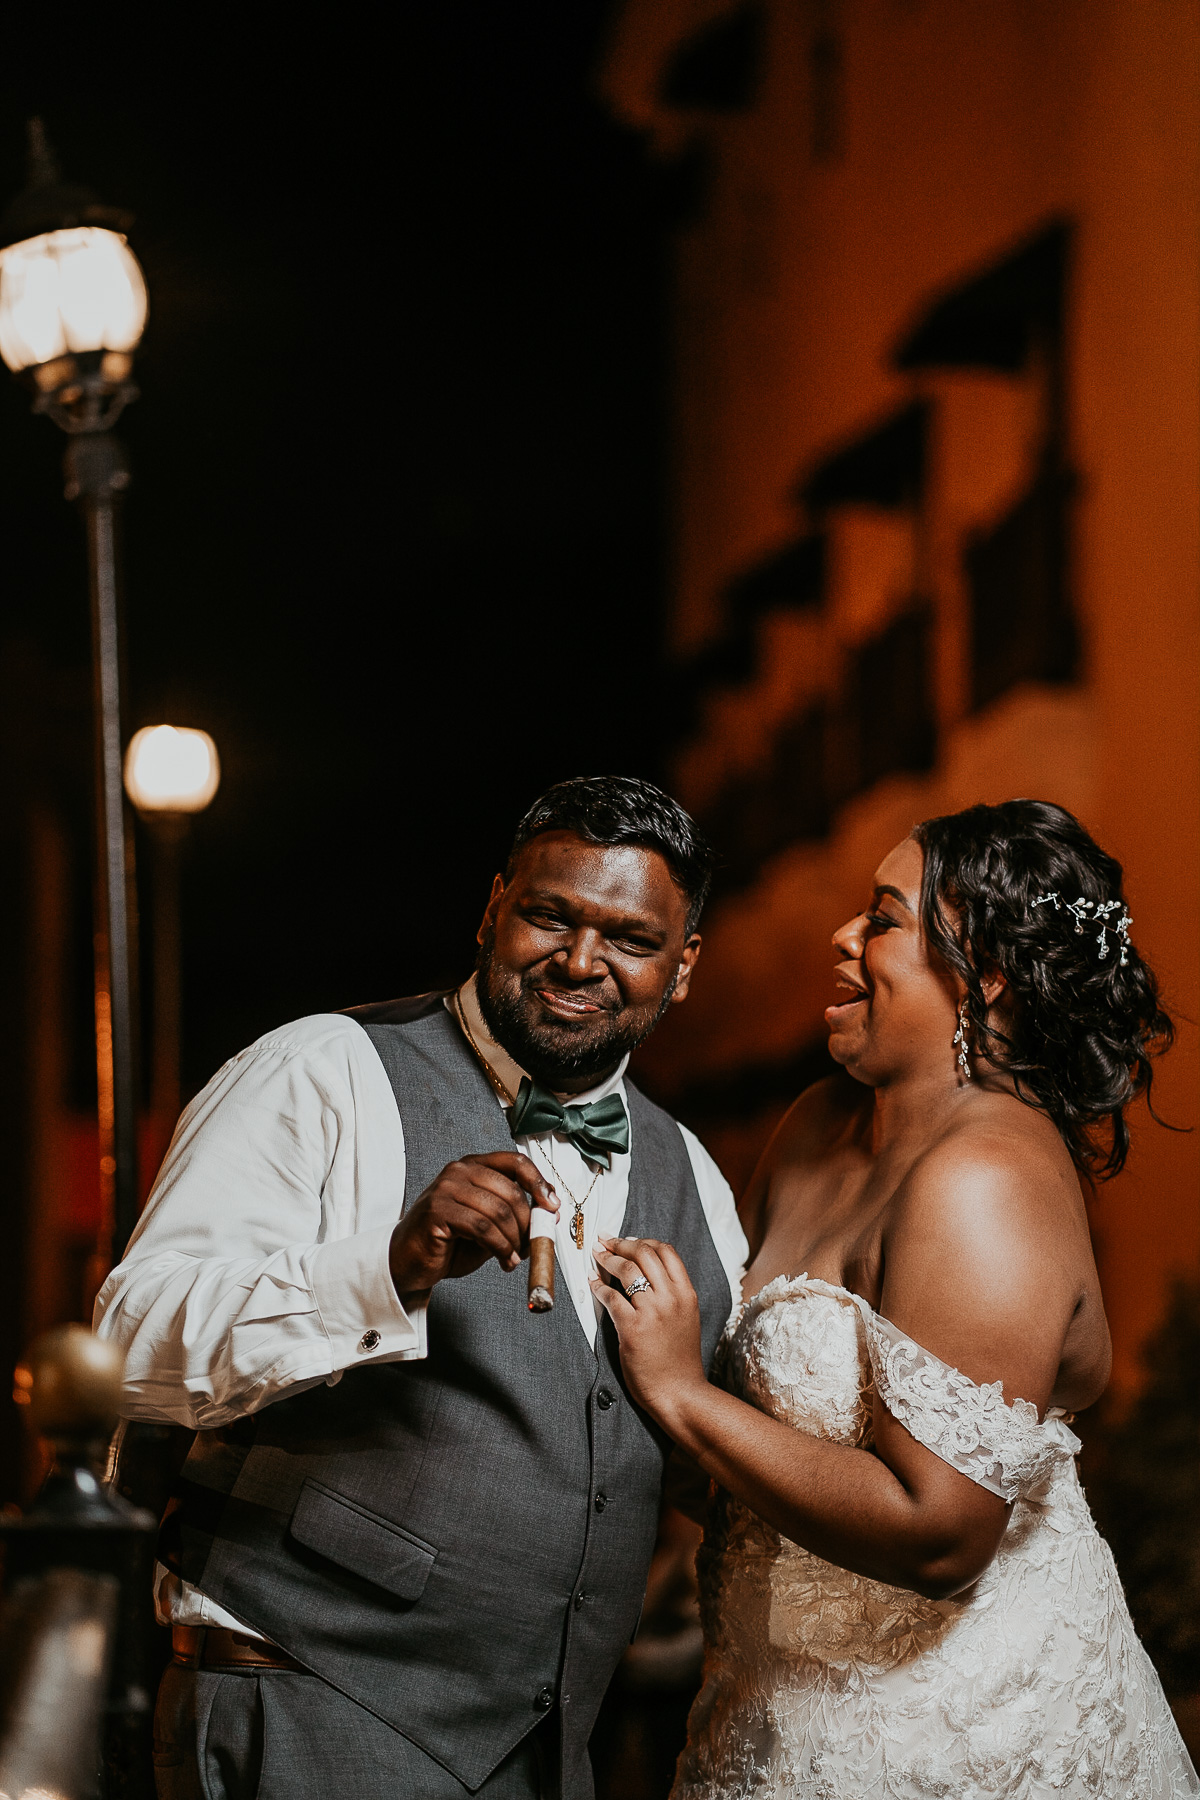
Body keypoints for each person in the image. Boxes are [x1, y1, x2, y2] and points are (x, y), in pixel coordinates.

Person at [94, 775, 748, 1800]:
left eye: (629, 938)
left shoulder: (694, 1177)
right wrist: (386, 1266)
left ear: (684, 966)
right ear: (494, 907)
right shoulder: (320, 1071)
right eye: (549, 916)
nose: (582, 963)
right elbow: (127, 1350)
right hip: (308, 1703)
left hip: (553, 1754)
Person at [590, 799, 1199, 1799]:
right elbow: (762, 1458)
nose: (842, 935)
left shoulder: (984, 1179)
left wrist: (681, 1395)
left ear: (987, 976)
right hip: (770, 1714)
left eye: (880, 919)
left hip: (961, 1741)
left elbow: (942, 1532)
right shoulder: (816, 1128)